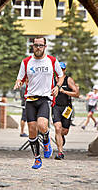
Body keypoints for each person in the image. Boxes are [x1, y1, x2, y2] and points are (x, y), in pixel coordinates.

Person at [14, 36, 63, 169]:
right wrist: (18, 82)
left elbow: (61, 76)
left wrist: (57, 87)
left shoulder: (52, 61)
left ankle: (46, 141)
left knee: (42, 125)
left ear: (45, 47)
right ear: (33, 46)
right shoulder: (26, 62)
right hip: (30, 99)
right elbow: (20, 78)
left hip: (44, 98)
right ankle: (37, 158)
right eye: (36, 45)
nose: (38, 48)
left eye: (41, 45)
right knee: (32, 130)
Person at [52, 62, 79, 160]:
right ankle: (60, 152)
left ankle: (61, 137)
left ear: (65, 70)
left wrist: (64, 91)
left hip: (67, 108)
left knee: (64, 131)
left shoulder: (68, 80)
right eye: (59, 69)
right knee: (57, 128)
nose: (61, 71)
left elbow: (77, 93)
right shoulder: (52, 80)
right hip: (56, 107)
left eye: (62, 69)